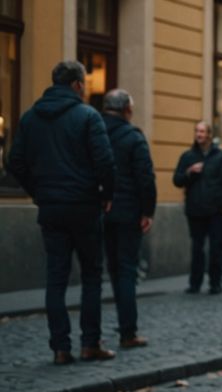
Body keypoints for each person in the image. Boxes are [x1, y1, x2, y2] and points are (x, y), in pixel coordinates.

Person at [7, 61, 117, 364]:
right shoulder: (87, 116)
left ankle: (60, 348)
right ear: (78, 85)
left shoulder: (30, 118)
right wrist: (106, 195)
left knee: (55, 279)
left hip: (51, 208)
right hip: (84, 206)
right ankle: (90, 343)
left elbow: (14, 163)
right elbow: (105, 163)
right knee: (92, 276)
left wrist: (39, 191)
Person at [99, 89, 156, 349]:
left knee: (104, 272)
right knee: (126, 272)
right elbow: (145, 177)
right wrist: (148, 211)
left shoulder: (93, 132)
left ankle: (92, 338)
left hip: (99, 211)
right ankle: (127, 332)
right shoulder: (132, 136)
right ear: (127, 111)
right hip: (128, 212)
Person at [173, 121, 222, 295]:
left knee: (215, 248)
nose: (199, 134)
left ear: (209, 134)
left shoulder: (220, 156)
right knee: (197, 247)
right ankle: (195, 283)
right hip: (195, 209)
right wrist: (189, 172)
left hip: (215, 210)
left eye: (202, 131)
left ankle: (215, 283)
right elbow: (177, 180)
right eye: (197, 131)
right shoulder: (188, 156)